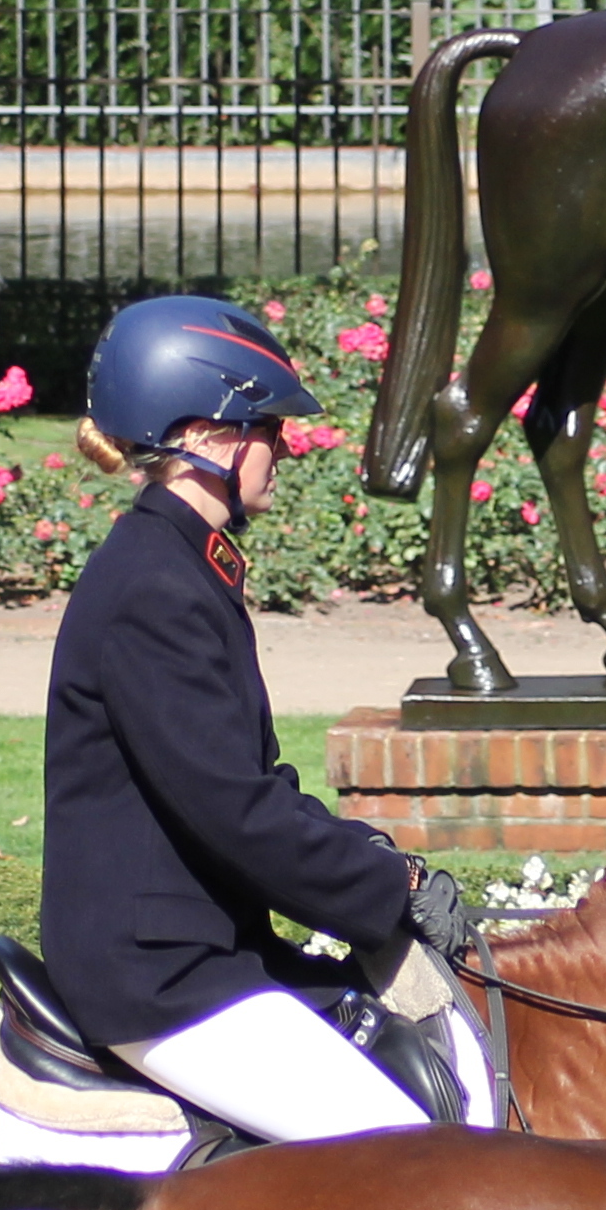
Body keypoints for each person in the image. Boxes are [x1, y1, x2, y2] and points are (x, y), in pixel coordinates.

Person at [42, 294, 479, 1140]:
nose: (283, 445)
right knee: (405, 1161)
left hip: (208, 951)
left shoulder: (180, 564)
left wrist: (370, 859)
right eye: (267, 426)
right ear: (205, 437)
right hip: (159, 978)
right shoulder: (155, 590)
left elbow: (252, 788)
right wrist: (397, 889)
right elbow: (236, 814)